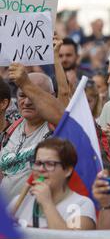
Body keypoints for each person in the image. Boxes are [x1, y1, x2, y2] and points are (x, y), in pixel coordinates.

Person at [0, 64, 64, 202]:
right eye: (22, 95)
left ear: (51, 98)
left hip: (38, 213)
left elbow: (64, 103)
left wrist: (57, 57)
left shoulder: (58, 129)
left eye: (33, 96)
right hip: (6, 214)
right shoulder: (10, 130)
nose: (27, 102)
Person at [10, 138, 96, 229]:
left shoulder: (81, 204)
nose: (41, 169)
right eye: (38, 163)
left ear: (67, 170)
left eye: (50, 164)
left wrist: (47, 203)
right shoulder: (20, 200)